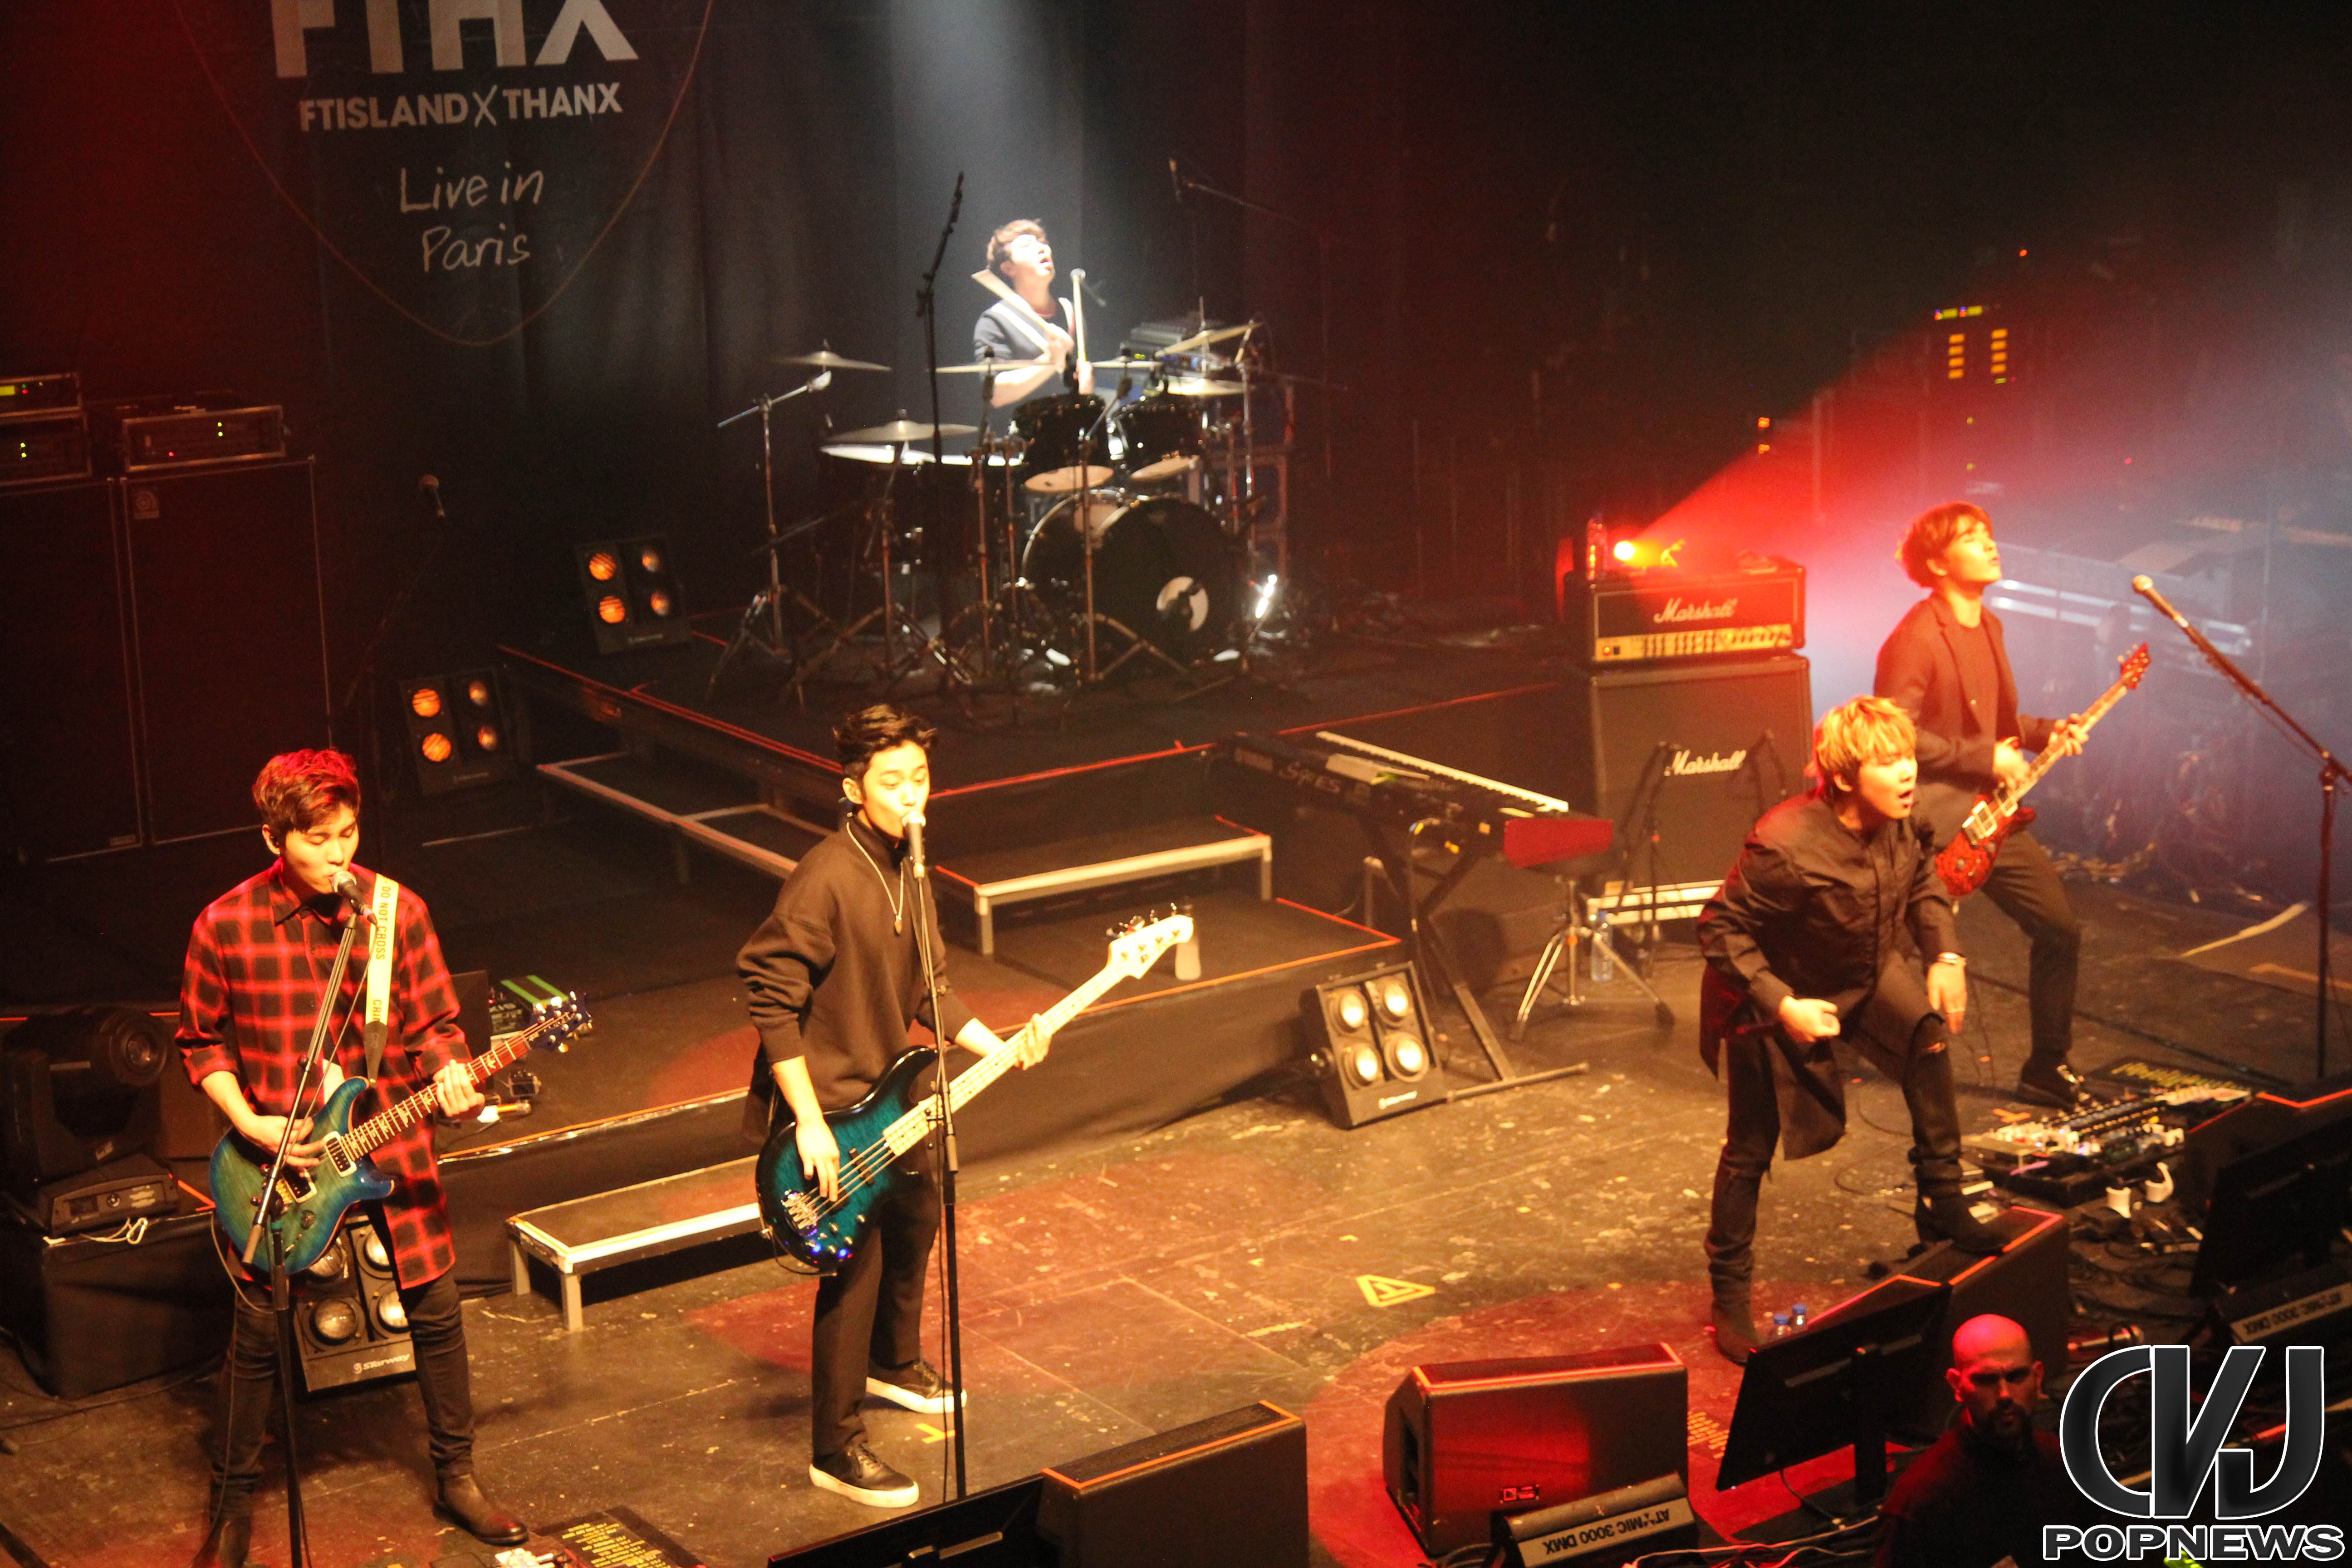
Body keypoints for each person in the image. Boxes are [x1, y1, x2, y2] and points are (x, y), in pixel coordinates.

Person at [178, 750, 524, 1567]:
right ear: (275, 838)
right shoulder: (225, 924)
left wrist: (452, 1076)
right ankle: (232, 1504)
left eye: (349, 833)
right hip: (284, 1159)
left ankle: (457, 1476)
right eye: (319, 839)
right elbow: (200, 1041)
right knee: (257, 1334)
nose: (340, 854)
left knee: (436, 1311)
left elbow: (436, 1026)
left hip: (389, 1138)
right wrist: (250, 1121)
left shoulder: (396, 911)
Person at [737, 703, 1054, 1509]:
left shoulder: (911, 870)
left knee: (918, 1209)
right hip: (830, 1108)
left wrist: (1002, 1047)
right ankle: (834, 1446)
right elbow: (770, 997)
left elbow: (929, 992)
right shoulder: (825, 875)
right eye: (892, 782)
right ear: (854, 790)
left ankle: (894, 1362)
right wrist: (809, 1123)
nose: (912, 795)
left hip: (890, 1095)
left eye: (920, 778)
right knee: (857, 1267)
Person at [1695, 697, 1999, 1367]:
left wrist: (1945, 954)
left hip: (1863, 967)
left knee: (1925, 1038)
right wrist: (1784, 1005)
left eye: (1908, 757)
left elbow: (1923, 879)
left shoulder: (1904, 817)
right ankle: (1729, 1294)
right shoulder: (1784, 843)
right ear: (1842, 777)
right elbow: (1719, 928)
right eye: (1887, 763)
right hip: (1776, 991)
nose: (1906, 773)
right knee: (1750, 1148)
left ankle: (1944, 1200)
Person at [1876, 503, 2088, 1110]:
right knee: (1895, 948)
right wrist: (1983, 759)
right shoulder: (1917, 636)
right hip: (1938, 820)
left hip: (1993, 815)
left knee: (2060, 929)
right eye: (1971, 538)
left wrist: (2046, 732)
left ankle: (2046, 1067)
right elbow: (1892, 734)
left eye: (1988, 534)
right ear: (1939, 563)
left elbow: (1997, 725)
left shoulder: (1989, 625)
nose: (1990, 545)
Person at [1873, 1314, 2088, 1568]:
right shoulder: (1921, 1501)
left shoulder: (2065, 1463)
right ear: (1957, 1385)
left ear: (2038, 1377)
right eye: (1986, 1380)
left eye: (2016, 1376)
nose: (2005, 1395)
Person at [971, 218, 1093, 408]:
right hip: (1021, 426)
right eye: (1026, 245)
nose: (1041, 248)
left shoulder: (1071, 312)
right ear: (1009, 268)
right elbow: (995, 393)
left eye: (1043, 243)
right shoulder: (995, 321)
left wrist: (1087, 387)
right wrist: (1050, 361)